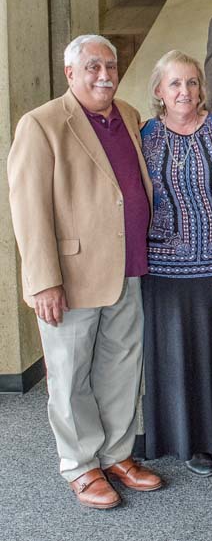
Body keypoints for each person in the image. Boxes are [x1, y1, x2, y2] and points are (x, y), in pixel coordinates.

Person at [7, 34, 162, 509]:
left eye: (111, 67)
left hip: (129, 266)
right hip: (71, 279)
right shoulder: (42, 124)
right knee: (70, 377)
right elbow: (27, 210)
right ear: (70, 73)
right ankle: (79, 465)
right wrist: (43, 281)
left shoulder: (130, 116)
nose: (104, 76)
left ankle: (116, 453)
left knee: (120, 368)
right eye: (93, 67)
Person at [141, 50, 212, 478]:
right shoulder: (146, 135)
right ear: (159, 92)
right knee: (177, 355)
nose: (185, 91)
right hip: (166, 270)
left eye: (191, 82)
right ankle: (189, 444)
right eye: (175, 84)